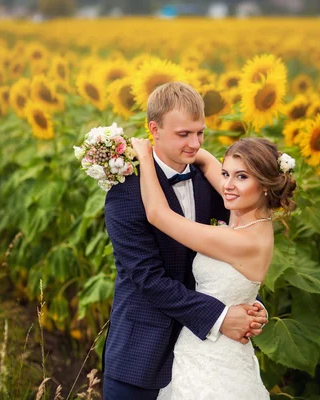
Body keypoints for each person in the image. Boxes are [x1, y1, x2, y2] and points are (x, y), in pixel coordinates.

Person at [102, 82, 269, 400]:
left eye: (200, 133)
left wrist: (250, 305)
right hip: (143, 355)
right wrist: (222, 317)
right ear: (155, 129)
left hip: (206, 360)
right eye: (184, 134)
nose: (195, 144)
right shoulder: (126, 191)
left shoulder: (211, 182)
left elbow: (240, 246)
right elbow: (148, 280)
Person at [129, 135, 297, 399]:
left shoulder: (241, 240)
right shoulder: (248, 216)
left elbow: (157, 214)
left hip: (213, 362)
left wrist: (146, 155)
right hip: (210, 350)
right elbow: (207, 162)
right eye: (226, 173)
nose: (228, 185)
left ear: (265, 185)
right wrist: (182, 148)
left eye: (241, 176)